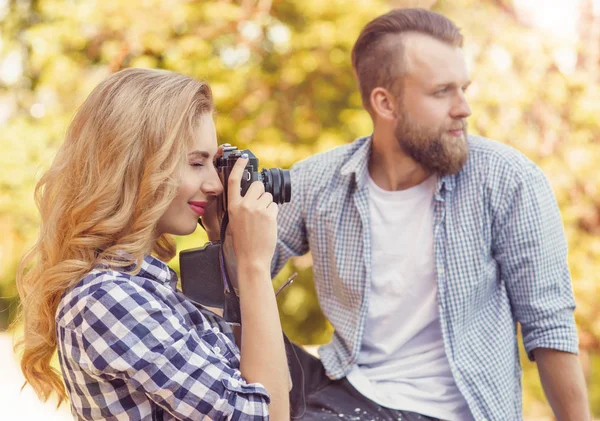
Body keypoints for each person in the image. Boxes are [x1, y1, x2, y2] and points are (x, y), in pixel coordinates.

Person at [273, 8, 590, 421]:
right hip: (345, 395)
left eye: (464, 88)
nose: (464, 108)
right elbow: (238, 275)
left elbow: (549, 326)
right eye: (442, 92)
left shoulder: (508, 180)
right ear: (385, 103)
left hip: (458, 411)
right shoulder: (320, 180)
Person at [15, 68, 290, 420]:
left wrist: (232, 255)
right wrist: (254, 265)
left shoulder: (148, 290)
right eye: (196, 163)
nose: (216, 185)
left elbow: (268, 383)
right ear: (136, 165)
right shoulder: (107, 300)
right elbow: (266, 414)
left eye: (214, 164)